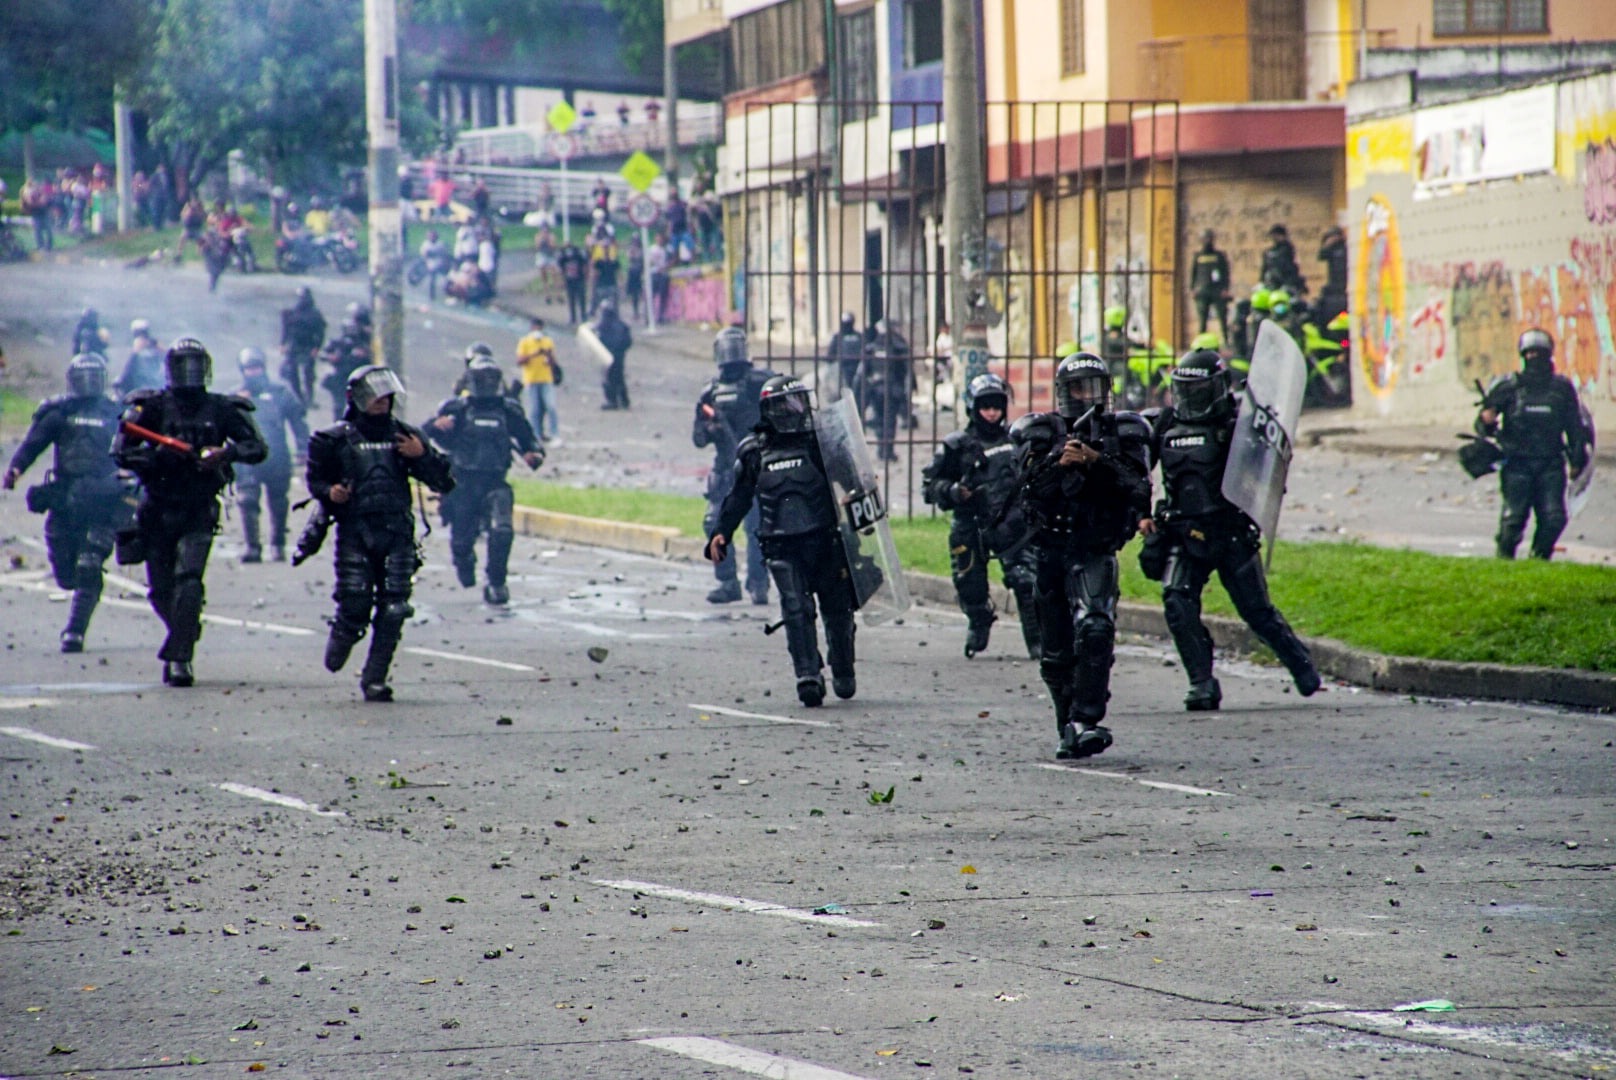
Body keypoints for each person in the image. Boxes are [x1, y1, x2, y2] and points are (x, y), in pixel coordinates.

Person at [1140, 349, 1321, 710]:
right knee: (1176, 601)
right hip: (1182, 529)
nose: (1192, 398)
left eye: (1199, 390)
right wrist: (1141, 513)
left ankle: (1301, 664)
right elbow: (1136, 470)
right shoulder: (1165, 423)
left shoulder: (1240, 422)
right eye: (1185, 390)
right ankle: (1201, 683)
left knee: (1256, 611)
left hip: (1229, 529)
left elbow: (1268, 469)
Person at [1019, 351, 1152, 759]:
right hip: (1052, 549)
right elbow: (1026, 491)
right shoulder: (1041, 431)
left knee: (1095, 628)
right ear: (1064, 391)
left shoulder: (1123, 431)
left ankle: (1087, 719)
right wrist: (1058, 463)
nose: (1086, 396)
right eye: (1078, 388)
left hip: (1094, 546)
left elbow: (1139, 486)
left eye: (1093, 387)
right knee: (1056, 655)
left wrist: (1097, 461)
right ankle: (1068, 725)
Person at [112, 339, 267, 686]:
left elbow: (257, 447)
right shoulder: (150, 406)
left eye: (196, 365)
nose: (190, 374)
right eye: (184, 366)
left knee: (190, 581)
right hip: (158, 506)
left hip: (198, 506)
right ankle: (184, 630)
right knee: (161, 590)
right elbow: (121, 451)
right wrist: (158, 458)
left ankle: (180, 658)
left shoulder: (222, 408)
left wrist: (224, 454)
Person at [704, 376, 858, 706]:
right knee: (796, 608)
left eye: (800, 402)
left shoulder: (821, 443)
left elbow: (854, 482)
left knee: (838, 611)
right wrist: (721, 532)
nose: (795, 410)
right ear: (770, 410)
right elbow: (738, 497)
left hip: (826, 542)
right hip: (781, 546)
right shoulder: (753, 451)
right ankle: (808, 674)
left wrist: (857, 501)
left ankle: (843, 666)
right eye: (787, 404)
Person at [305, 367, 455, 700]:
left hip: (397, 532)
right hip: (356, 532)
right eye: (375, 395)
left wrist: (422, 455)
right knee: (355, 604)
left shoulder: (407, 437)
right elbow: (315, 480)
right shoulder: (332, 439)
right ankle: (344, 633)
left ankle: (375, 678)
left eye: (387, 396)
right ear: (356, 398)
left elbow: (444, 481)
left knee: (394, 609)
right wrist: (331, 492)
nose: (382, 401)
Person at [4, 354, 134, 652]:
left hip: (103, 498)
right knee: (65, 572)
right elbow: (34, 443)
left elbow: (135, 450)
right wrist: (15, 469)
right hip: (66, 496)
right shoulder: (59, 412)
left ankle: (75, 631)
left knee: (90, 564)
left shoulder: (115, 413)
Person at [922, 372, 1041, 659]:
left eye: (996, 406)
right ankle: (979, 620)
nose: (991, 413)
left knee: (1026, 580)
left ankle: (1038, 640)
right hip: (970, 524)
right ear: (973, 408)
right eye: (985, 407)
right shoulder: (957, 445)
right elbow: (929, 486)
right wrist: (953, 491)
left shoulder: (1017, 439)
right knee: (970, 585)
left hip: (1011, 523)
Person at [428, 357, 543, 605]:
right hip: (463, 484)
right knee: (461, 542)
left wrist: (533, 454)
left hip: (495, 481)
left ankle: (497, 581)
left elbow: (529, 440)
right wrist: (437, 426)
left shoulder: (508, 410)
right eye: (481, 379)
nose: (487, 384)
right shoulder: (457, 408)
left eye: (491, 379)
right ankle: (464, 562)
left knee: (502, 530)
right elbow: (425, 434)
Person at [1476, 329, 1592, 560]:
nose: (1534, 358)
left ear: (1549, 355)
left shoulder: (1561, 389)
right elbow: (1482, 427)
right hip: (1517, 463)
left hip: (1550, 463)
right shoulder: (1508, 386)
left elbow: (1575, 427)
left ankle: (1539, 558)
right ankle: (1504, 560)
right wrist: (1486, 421)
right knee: (1513, 520)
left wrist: (1577, 460)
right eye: (1530, 354)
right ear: (1523, 356)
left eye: (1539, 353)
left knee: (1553, 518)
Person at [694, 326, 774, 606]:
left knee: (757, 528)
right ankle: (728, 582)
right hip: (725, 469)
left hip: (753, 467)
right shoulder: (711, 392)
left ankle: (759, 583)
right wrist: (711, 428)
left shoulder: (759, 383)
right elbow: (698, 438)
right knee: (714, 524)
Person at [233, 347, 309, 563]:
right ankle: (252, 546)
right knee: (247, 501)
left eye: (256, 368)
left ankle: (278, 545)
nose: (253, 372)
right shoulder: (236, 396)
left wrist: (303, 449)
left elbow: (298, 421)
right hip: (247, 458)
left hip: (277, 455)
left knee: (278, 501)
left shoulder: (280, 392)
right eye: (249, 369)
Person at [860, 320, 911, 462]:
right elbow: (905, 369)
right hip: (892, 389)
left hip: (877, 389)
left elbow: (864, 372)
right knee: (889, 420)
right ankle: (887, 450)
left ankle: (882, 449)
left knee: (880, 419)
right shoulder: (898, 347)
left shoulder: (872, 348)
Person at [318, 303, 373, 420]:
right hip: (340, 378)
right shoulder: (339, 342)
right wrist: (330, 357)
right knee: (338, 406)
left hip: (357, 379)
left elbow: (367, 360)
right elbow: (323, 354)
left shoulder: (364, 344)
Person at [279, 286, 328, 404]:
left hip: (308, 345)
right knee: (292, 372)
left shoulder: (315, 314)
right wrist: (283, 344)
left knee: (308, 374)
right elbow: (287, 330)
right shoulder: (293, 313)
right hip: (295, 345)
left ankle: (309, 398)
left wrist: (316, 347)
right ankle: (298, 397)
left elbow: (320, 332)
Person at [516, 317, 562, 443]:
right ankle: (535, 435)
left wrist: (548, 355)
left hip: (546, 379)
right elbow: (520, 361)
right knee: (534, 409)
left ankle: (554, 434)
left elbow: (553, 362)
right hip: (531, 379)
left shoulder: (547, 341)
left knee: (551, 406)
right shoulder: (525, 342)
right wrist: (534, 354)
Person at [1190, 230, 1233, 339]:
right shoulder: (1198, 256)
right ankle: (1201, 342)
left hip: (1217, 290)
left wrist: (1225, 289)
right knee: (1202, 320)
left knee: (1222, 318)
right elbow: (1193, 273)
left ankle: (1225, 340)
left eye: (1209, 238)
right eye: (1205, 238)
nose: (1207, 241)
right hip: (1202, 290)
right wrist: (1193, 289)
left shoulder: (1219, 256)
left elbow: (1225, 273)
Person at [594, 299, 633, 410]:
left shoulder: (604, 326)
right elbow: (628, 341)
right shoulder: (622, 325)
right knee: (619, 378)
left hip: (608, 356)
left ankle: (612, 401)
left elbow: (601, 341)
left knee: (609, 378)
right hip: (619, 356)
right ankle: (624, 400)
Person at [117, 322, 166, 397]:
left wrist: (162, 351)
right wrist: (135, 352)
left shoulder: (156, 351)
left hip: (156, 389)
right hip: (138, 391)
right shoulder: (134, 354)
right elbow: (124, 378)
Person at [826, 312, 865, 404]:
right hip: (844, 369)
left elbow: (830, 355)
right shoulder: (841, 336)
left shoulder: (841, 336)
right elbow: (830, 355)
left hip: (856, 369)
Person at [1259, 224, 1306, 296]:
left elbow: (1292, 267)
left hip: (1287, 283)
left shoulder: (1288, 249)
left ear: (1282, 236)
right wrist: (1262, 281)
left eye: (1276, 235)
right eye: (1273, 235)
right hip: (1272, 284)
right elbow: (1265, 268)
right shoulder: (1269, 252)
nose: (1274, 238)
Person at [1316, 225, 1349, 325]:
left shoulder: (1345, 248)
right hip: (1334, 282)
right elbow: (1321, 256)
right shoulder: (1331, 249)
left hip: (1345, 282)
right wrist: (1328, 244)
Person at [558, 239, 590, 324]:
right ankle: (573, 318)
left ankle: (583, 316)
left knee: (581, 298)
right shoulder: (562, 255)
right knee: (571, 299)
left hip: (579, 279)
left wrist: (586, 276)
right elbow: (561, 269)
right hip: (569, 280)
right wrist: (562, 280)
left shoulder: (578, 254)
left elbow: (585, 265)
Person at [589, 228, 620, 313]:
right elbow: (594, 266)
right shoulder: (597, 250)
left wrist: (619, 282)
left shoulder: (613, 253)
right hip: (601, 282)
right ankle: (593, 310)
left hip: (611, 282)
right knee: (598, 298)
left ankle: (615, 314)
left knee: (613, 301)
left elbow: (617, 270)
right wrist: (593, 277)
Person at [419, 229, 451, 301]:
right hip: (431, 264)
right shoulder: (425, 244)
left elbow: (445, 254)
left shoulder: (440, 244)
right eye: (431, 236)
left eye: (434, 236)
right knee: (432, 280)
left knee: (447, 278)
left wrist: (445, 262)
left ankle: (449, 293)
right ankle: (432, 295)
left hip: (440, 264)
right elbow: (425, 255)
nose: (432, 237)